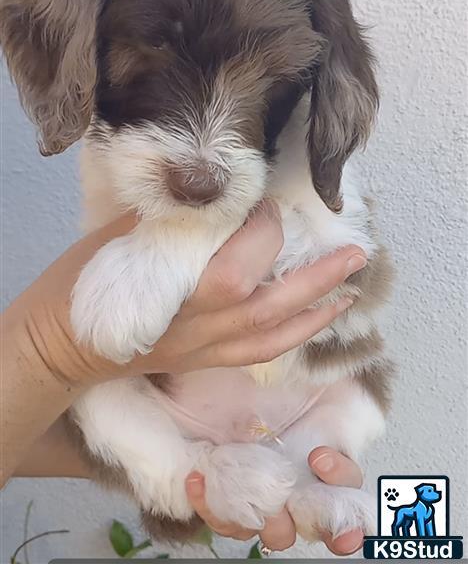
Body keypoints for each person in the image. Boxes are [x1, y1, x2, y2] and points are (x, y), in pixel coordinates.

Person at [2, 202, 368, 555]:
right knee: (98, 386)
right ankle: (200, 469)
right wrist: (51, 351)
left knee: (359, 374)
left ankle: (305, 479)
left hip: (301, 397)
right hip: (167, 412)